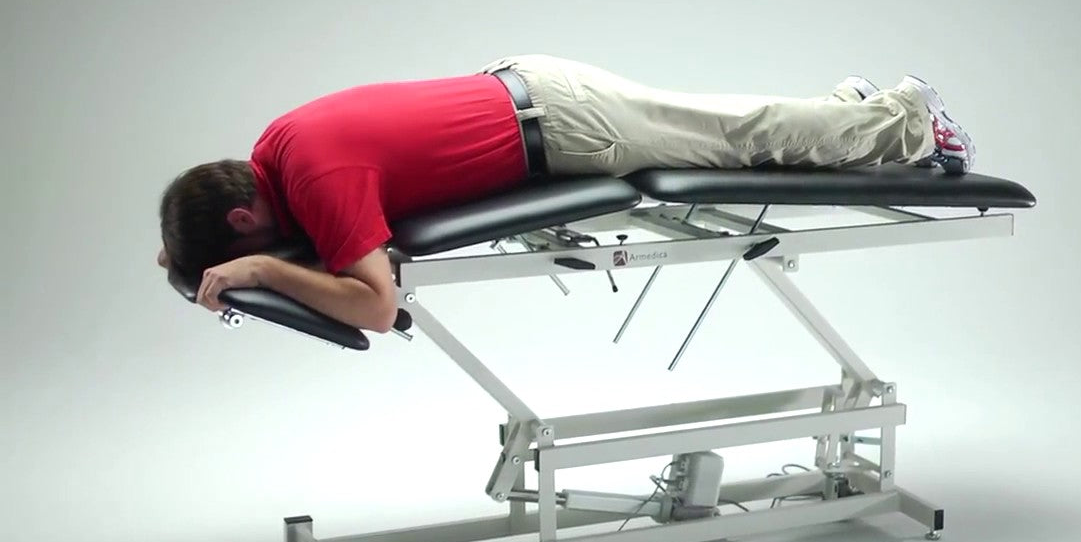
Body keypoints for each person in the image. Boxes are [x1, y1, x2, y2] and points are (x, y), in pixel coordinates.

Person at [157, 54, 975, 333]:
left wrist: (262, 273)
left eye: (248, 245)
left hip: (570, 130)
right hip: (530, 94)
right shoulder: (274, 147)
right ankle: (849, 114)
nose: (263, 254)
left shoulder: (316, 181)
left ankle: (908, 122)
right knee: (730, 124)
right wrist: (189, 254)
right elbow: (300, 228)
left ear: (243, 219)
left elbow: (374, 306)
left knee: (739, 138)